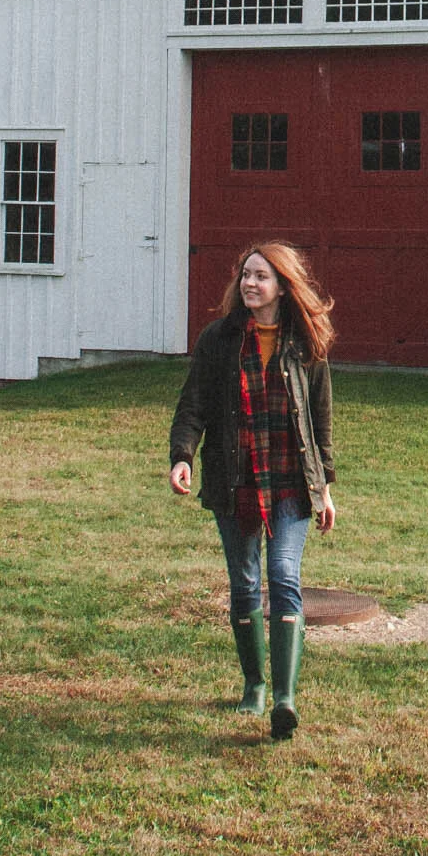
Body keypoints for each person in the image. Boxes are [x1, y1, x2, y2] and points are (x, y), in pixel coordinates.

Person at [169, 241, 337, 739]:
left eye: (261, 276)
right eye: (246, 275)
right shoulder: (218, 340)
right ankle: (254, 686)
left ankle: (285, 699)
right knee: (244, 585)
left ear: (282, 286)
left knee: (284, 575)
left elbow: (320, 423)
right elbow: (192, 405)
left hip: (290, 482)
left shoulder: (306, 344)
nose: (250, 284)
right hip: (234, 482)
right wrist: (183, 456)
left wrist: (324, 488)